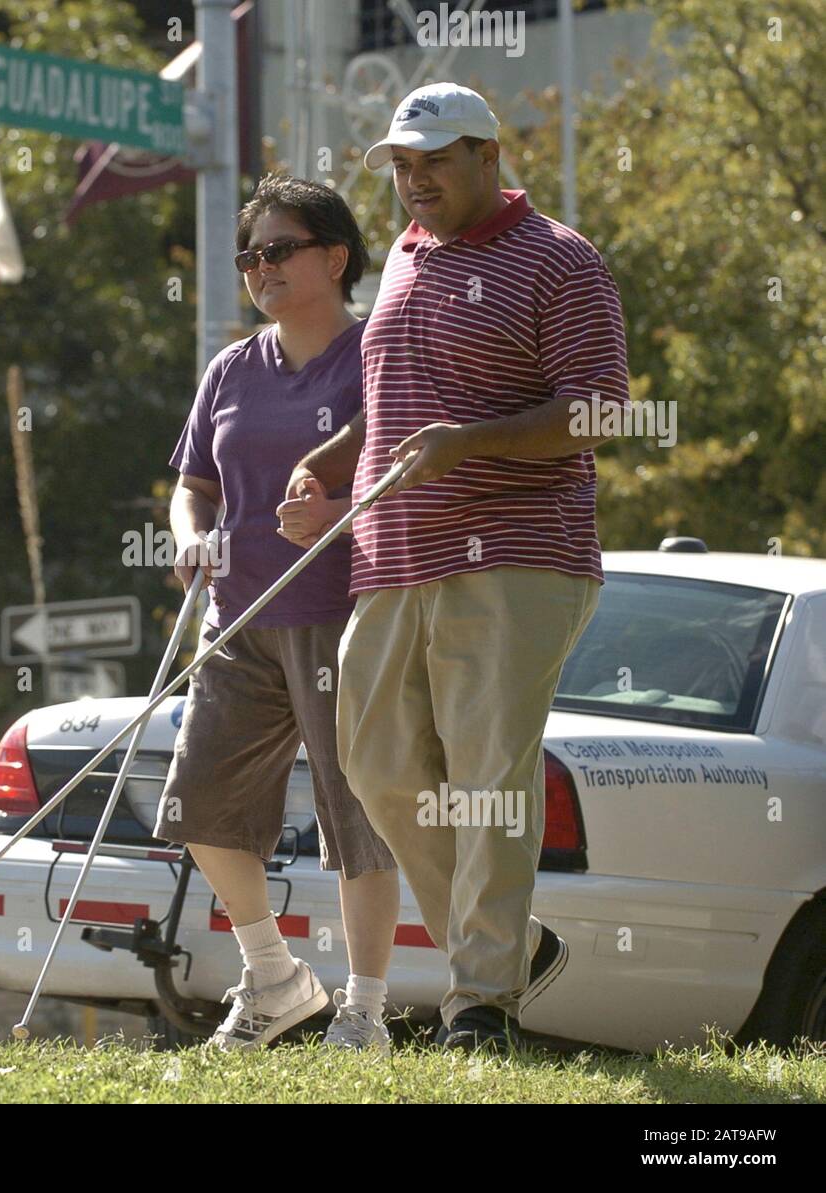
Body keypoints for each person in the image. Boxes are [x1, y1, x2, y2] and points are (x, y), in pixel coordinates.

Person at [279, 83, 630, 1051]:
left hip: (518, 555)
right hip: (391, 556)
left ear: (488, 153)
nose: (413, 180)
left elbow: (599, 409)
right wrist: (335, 456)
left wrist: (466, 444)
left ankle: (480, 1002)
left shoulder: (560, 259)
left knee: (484, 778)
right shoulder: (407, 254)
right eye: (399, 165)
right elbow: (403, 400)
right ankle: (511, 947)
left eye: (432, 160)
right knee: (378, 768)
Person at [156, 174, 401, 1053]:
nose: (259, 268)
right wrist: (191, 537)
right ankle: (274, 977)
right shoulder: (229, 367)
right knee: (200, 803)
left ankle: (364, 1011)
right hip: (237, 616)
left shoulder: (381, 351)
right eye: (248, 256)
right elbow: (194, 485)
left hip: (345, 613)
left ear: (335, 257)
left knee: (356, 812)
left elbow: (412, 475)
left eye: (278, 249)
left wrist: (338, 512)